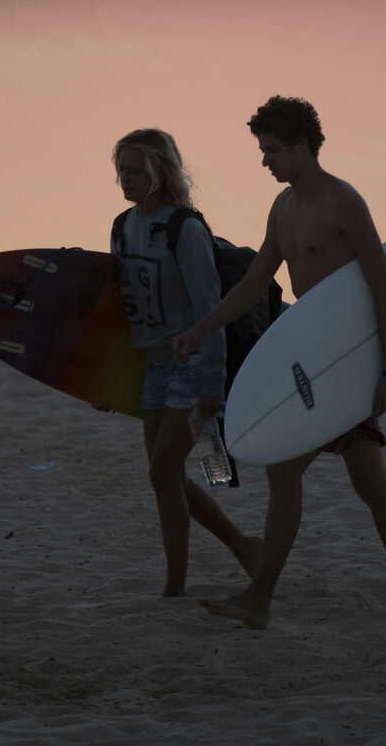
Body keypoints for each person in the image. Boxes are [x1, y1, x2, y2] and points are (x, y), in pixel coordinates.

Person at [173, 96, 386, 629]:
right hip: (312, 361)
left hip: (347, 363)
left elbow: (384, 286)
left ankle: (261, 599)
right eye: (262, 150)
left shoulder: (344, 202)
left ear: (301, 146)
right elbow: (252, 285)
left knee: (291, 469)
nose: (265, 161)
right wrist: (201, 328)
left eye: (272, 150)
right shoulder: (283, 208)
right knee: (369, 482)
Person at [112, 128, 261, 597]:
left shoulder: (187, 230)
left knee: (162, 472)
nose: (126, 179)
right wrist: (108, 379)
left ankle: (175, 587)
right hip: (152, 366)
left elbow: (209, 310)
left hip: (193, 364)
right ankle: (243, 547)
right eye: (121, 171)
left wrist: (213, 383)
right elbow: (122, 310)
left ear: (160, 171)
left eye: (135, 170)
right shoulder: (122, 226)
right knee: (167, 475)